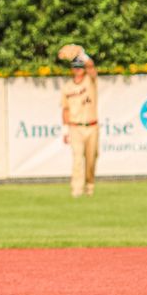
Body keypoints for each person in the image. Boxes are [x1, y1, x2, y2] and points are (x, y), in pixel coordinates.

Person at [58, 43, 99, 198]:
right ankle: (76, 190)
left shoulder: (90, 81)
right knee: (77, 159)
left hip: (92, 125)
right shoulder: (67, 87)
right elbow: (65, 109)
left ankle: (90, 186)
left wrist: (82, 54)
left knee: (91, 159)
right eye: (75, 67)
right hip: (75, 127)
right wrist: (65, 130)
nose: (78, 69)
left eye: (80, 67)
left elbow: (91, 67)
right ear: (71, 69)